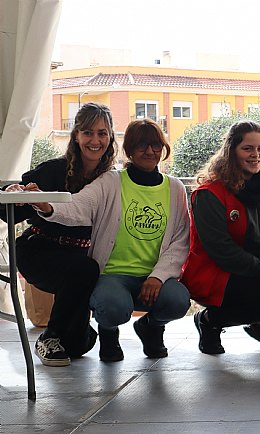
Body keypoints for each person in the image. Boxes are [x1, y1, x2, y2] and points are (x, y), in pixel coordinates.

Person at [28, 119, 191, 362]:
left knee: (178, 301)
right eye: (142, 146)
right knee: (111, 307)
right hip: (112, 275)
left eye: (156, 145)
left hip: (155, 277)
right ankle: (108, 331)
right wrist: (48, 206)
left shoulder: (175, 188)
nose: (149, 152)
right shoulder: (111, 182)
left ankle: (152, 328)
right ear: (129, 151)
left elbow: (181, 239)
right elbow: (79, 206)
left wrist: (158, 276)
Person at [0, 103, 116, 367]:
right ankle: (49, 337)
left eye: (102, 133)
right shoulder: (53, 170)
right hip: (39, 249)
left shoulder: (112, 180)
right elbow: (9, 213)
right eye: (88, 132)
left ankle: (76, 335)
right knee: (85, 269)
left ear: (110, 138)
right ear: (76, 135)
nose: (95, 140)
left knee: (81, 345)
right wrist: (18, 195)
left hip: (80, 256)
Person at [181, 120, 260, 354]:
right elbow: (222, 251)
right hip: (217, 269)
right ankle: (209, 321)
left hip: (258, 261)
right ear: (231, 151)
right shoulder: (209, 194)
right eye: (247, 148)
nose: (256, 155)